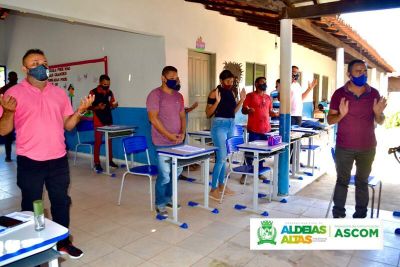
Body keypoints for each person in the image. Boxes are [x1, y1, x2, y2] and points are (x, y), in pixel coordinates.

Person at [0, 49, 94, 258]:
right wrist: (8, 112)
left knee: (61, 201)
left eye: (44, 61)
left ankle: (62, 242)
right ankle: (32, 246)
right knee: (31, 204)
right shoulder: (13, 93)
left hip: (58, 159)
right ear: (25, 69)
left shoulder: (59, 93)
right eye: (35, 62)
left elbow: (68, 126)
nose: (41, 65)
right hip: (30, 160)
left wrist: (79, 111)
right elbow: (3, 130)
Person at [327, 59, 386, 219]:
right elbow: (330, 120)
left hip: (367, 148)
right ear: (349, 74)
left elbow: (380, 121)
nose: (362, 74)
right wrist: (341, 114)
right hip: (344, 147)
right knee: (342, 181)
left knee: (362, 182)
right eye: (358, 71)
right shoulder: (339, 93)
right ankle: (338, 214)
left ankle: (360, 216)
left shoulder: (373, 93)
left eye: (364, 71)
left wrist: (378, 113)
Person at [146, 66, 185, 217]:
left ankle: (168, 199)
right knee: (165, 175)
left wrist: (182, 132)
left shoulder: (178, 96)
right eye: (172, 78)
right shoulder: (155, 95)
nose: (175, 80)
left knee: (176, 172)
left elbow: (182, 116)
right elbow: (153, 119)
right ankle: (160, 203)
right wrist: (169, 135)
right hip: (162, 142)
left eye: (176, 78)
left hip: (178, 141)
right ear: (163, 78)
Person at [206, 70, 246, 200]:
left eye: (232, 81)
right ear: (221, 81)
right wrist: (217, 102)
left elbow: (232, 111)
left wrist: (242, 100)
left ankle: (222, 185)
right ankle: (213, 189)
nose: (230, 83)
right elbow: (208, 113)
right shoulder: (214, 92)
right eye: (228, 81)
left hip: (230, 124)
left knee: (225, 157)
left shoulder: (231, 92)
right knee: (221, 158)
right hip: (219, 126)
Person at [240, 77, 275, 184]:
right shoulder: (250, 96)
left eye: (265, 83)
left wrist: (274, 113)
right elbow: (243, 110)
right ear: (256, 84)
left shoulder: (269, 98)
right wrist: (248, 110)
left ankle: (259, 171)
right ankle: (245, 173)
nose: (263, 84)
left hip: (265, 129)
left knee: (262, 153)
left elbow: (270, 111)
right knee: (250, 152)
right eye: (261, 83)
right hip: (254, 129)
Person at [89, 74, 118, 172]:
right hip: (98, 121)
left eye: (108, 84)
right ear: (100, 83)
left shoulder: (110, 92)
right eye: (105, 84)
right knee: (98, 142)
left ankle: (110, 161)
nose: (107, 86)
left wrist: (114, 105)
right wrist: (98, 107)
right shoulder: (93, 92)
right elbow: (88, 107)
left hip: (108, 119)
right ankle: (97, 163)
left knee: (109, 141)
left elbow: (112, 104)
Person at [0, 71, 18, 162]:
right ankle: (8, 156)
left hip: (20, 116)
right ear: (9, 78)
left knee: (19, 137)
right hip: (8, 116)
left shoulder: (21, 88)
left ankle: (12, 156)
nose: (15, 79)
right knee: (8, 137)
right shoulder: (3, 89)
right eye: (13, 77)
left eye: (15, 77)